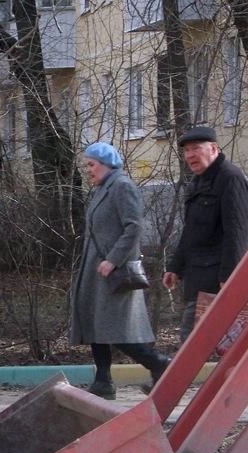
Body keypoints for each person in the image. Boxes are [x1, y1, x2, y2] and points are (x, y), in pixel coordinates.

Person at [70, 142, 170, 400]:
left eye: (91, 165)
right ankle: (103, 381)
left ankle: (159, 364)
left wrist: (113, 259)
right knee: (98, 325)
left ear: (106, 164)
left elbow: (134, 227)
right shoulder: (103, 188)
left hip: (115, 272)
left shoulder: (122, 187)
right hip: (98, 272)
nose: (88, 170)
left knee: (117, 329)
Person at [163, 125, 248, 341]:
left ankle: (183, 376)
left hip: (217, 279)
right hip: (199, 276)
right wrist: (175, 267)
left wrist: (229, 276)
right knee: (218, 344)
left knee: (193, 343)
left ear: (213, 149)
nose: (190, 155)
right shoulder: (198, 182)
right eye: (186, 151)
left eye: (195, 148)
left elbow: (237, 230)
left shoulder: (230, 178)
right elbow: (191, 230)